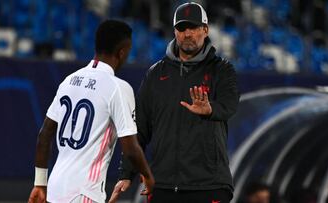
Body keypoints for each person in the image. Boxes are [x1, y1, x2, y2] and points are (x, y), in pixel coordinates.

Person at [110, 2, 239, 203]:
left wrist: (210, 109)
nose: (187, 34)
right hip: (163, 185)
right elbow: (140, 128)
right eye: (182, 28)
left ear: (205, 30)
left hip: (209, 184)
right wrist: (126, 173)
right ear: (175, 32)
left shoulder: (221, 70)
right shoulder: (155, 74)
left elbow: (229, 104)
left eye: (193, 27)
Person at [28, 20, 154, 203]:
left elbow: (44, 135)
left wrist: (40, 184)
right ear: (122, 52)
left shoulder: (69, 81)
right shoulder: (118, 88)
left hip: (54, 189)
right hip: (85, 192)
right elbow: (131, 148)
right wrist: (148, 177)